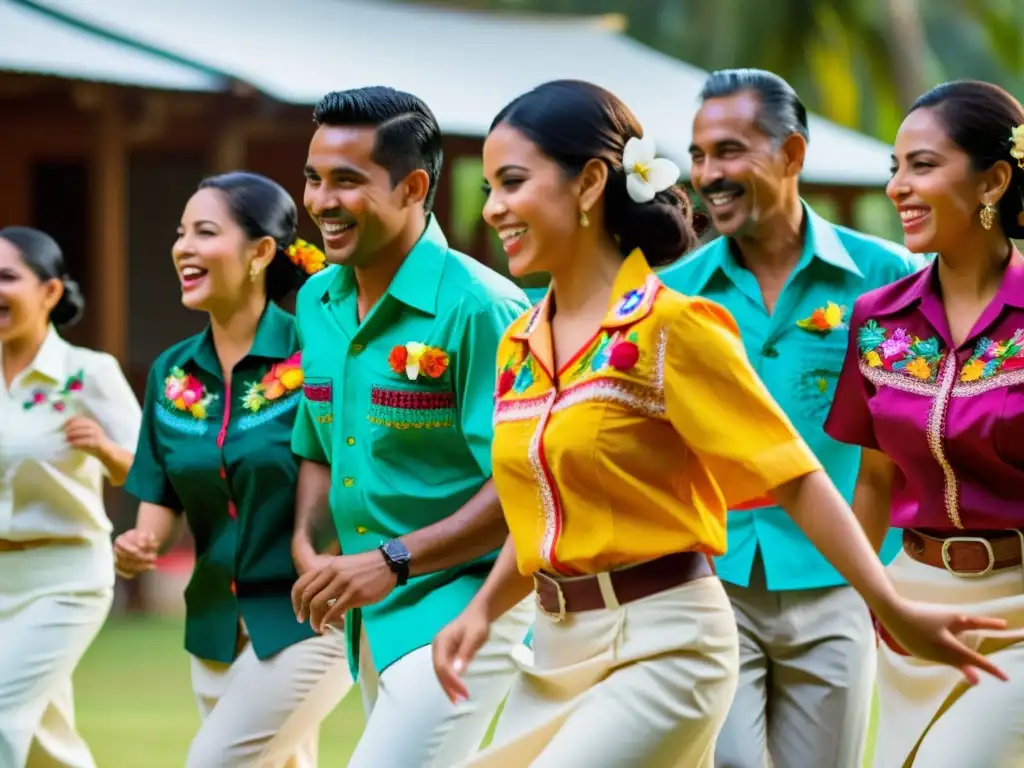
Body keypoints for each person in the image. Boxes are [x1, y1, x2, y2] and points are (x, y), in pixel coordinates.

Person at [430, 78, 1009, 768]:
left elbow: (796, 471)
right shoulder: (522, 343)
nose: (492, 209)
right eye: (698, 154)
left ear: (589, 183)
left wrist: (878, 597)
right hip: (590, 634)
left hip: (714, 619)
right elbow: (545, 508)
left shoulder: (680, 323)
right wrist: (482, 611)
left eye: (511, 183)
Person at [659, 68, 925, 768]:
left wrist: (875, 586)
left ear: (792, 156)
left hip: (840, 582)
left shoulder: (889, 278)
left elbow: (906, 443)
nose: (708, 173)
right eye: (698, 155)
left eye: (730, 151)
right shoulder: (668, 297)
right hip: (708, 584)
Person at [288, 86, 533, 767]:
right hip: (370, 615)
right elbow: (316, 441)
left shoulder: (483, 308)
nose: (320, 202)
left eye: (346, 181)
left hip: (472, 603)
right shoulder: (316, 298)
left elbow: (522, 485)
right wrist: (311, 547)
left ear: (413, 186)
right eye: (312, 178)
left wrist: (392, 561)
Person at [116, 172, 351, 768]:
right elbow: (159, 496)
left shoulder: (321, 356)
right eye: (180, 233)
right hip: (215, 626)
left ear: (260, 253)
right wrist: (140, 541)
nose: (183, 247)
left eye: (205, 232)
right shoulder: (171, 374)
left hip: (311, 618)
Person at [826, 80, 1024, 768]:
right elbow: (875, 481)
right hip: (910, 609)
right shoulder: (878, 318)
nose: (898, 188)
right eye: (895, 167)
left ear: (993, 180)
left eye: (923, 165)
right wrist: (858, 605)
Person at [0, 227, 139, 768]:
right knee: (45, 747)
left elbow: (152, 472)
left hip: (65, 578)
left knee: (3, 720)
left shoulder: (88, 373)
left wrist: (104, 449)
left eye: (7, 277)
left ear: (50, 292)